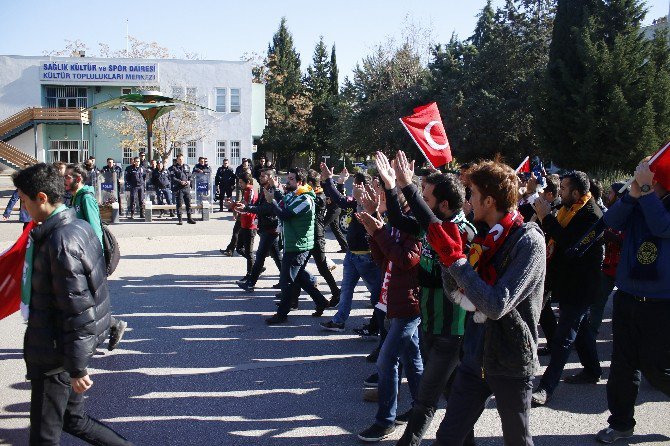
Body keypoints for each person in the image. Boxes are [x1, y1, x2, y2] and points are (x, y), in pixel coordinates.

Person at [421, 156, 546, 446]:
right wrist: (447, 258)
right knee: (449, 436)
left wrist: (457, 261)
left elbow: (495, 305)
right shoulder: (483, 235)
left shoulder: (528, 241)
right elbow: (456, 293)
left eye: (473, 194)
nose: (468, 200)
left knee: (517, 439)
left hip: (511, 360)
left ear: (489, 200)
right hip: (475, 353)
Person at [11, 163, 133, 445]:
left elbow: (77, 311)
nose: (22, 206)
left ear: (42, 198)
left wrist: (77, 369)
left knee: (44, 437)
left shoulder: (60, 241)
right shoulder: (72, 226)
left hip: (55, 353)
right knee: (73, 420)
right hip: (59, 349)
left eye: (24, 200)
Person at [374, 151, 476, 446]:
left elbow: (441, 260)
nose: (423, 203)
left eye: (427, 198)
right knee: (455, 397)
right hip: (429, 323)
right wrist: (392, 187)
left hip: (451, 331)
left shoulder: (463, 230)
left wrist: (408, 186)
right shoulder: (432, 224)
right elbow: (399, 220)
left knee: (425, 400)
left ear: (444, 205)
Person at [595, 160, 670, 444]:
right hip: (627, 296)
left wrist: (648, 192)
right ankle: (621, 424)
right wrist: (634, 195)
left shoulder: (657, 202)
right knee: (622, 368)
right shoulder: (640, 200)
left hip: (661, 302)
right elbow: (611, 222)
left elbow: (662, 227)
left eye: (653, 177)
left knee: (656, 367)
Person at [355, 193, 423, 443]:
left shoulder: (415, 223)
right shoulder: (396, 223)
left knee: (386, 360)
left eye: (387, 191)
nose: (381, 195)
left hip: (408, 304)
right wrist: (374, 231)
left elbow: (406, 259)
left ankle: (385, 421)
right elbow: (382, 258)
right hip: (392, 299)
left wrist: (379, 231)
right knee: (412, 357)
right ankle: (420, 407)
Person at [531, 171, 604, 406]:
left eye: (563, 189)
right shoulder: (567, 209)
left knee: (563, 338)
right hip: (567, 281)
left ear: (575, 193)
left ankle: (546, 388)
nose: (559, 192)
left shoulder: (591, 215)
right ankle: (592, 370)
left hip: (580, 285)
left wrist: (546, 219)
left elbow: (571, 245)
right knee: (579, 329)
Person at [64, 163, 128, 351]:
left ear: (79, 178)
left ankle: (112, 325)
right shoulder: (74, 197)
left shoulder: (86, 198)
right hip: (78, 254)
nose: (64, 180)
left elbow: (95, 230)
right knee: (82, 301)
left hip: (89, 257)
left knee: (85, 301)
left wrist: (94, 259)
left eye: (68, 177)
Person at [319, 163, 382, 332]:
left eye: (374, 186)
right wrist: (328, 180)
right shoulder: (356, 201)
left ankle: (380, 326)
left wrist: (367, 205)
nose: (358, 188)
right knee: (346, 289)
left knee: (378, 295)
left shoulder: (380, 206)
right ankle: (339, 321)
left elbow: (378, 225)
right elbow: (340, 200)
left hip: (366, 256)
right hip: (352, 254)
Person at [265, 168, 331, 324]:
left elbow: (285, 214)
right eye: (288, 178)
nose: (288, 182)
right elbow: (284, 201)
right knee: (299, 278)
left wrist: (272, 201)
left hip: (298, 246)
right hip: (293, 244)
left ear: (300, 182)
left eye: (292, 179)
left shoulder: (306, 199)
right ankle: (321, 301)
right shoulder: (296, 195)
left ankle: (282, 314)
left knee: (287, 280)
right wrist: (274, 192)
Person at [235, 168, 282, 291]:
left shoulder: (274, 191)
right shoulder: (264, 189)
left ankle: (250, 283)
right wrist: (245, 207)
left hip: (270, 229)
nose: (260, 178)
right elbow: (258, 206)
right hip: (267, 227)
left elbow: (265, 209)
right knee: (278, 257)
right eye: (260, 176)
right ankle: (286, 281)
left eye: (263, 176)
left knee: (260, 257)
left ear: (271, 178)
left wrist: (247, 208)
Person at [589, 182, 625, 336]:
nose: (608, 196)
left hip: (623, 269)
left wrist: (614, 238)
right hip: (608, 266)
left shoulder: (629, 214)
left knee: (622, 307)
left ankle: (622, 337)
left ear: (619, 195)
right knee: (598, 302)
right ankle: (590, 334)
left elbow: (629, 241)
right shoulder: (610, 214)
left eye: (611, 193)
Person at [236, 172, 258, 281]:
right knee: (239, 248)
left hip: (250, 224)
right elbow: (243, 205)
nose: (240, 184)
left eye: (241, 182)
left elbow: (248, 208)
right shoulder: (246, 191)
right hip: (244, 223)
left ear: (247, 182)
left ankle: (250, 274)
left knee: (249, 252)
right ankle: (255, 266)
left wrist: (234, 207)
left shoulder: (251, 191)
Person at [171, 154, 196, 225]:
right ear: (177, 160)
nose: (181, 160)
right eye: (179, 159)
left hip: (186, 188)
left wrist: (189, 181)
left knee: (188, 204)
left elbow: (191, 176)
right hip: (179, 189)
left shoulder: (187, 167)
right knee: (179, 204)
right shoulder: (174, 168)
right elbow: (173, 178)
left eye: (182, 159)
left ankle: (189, 218)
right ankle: (180, 219)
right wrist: (180, 181)